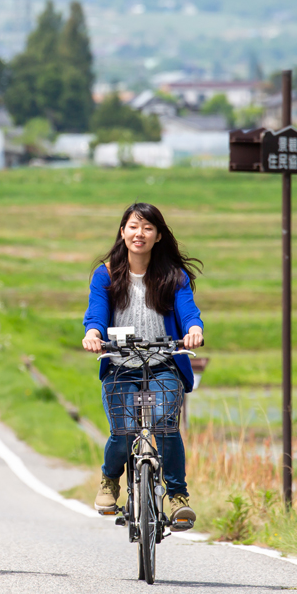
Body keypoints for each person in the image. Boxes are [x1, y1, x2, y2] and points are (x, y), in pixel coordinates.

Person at [82, 202, 204, 530]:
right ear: (122, 232)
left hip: (163, 362)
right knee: (123, 433)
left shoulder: (172, 276)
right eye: (133, 227)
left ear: (158, 236)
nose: (140, 234)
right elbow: (96, 312)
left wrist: (194, 330)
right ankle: (110, 481)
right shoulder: (106, 274)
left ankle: (178, 497)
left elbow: (189, 310)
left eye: (148, 228)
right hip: (120, 365)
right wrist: (92, 334)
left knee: (164, 425)